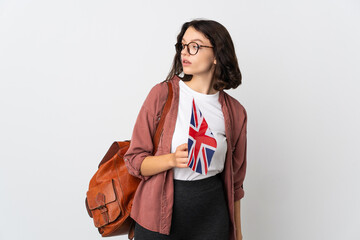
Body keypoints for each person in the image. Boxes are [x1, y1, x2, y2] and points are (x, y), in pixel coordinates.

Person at [124, 19, 247, 240]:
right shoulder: (162, 95)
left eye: (195, 46)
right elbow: (134, 160)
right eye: (183, 45)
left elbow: (236, 183)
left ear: (217, 54)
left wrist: (237, 235)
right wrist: (171, 159)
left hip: (211, 217)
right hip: (159, 217)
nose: (185, 52)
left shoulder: (235, 112)